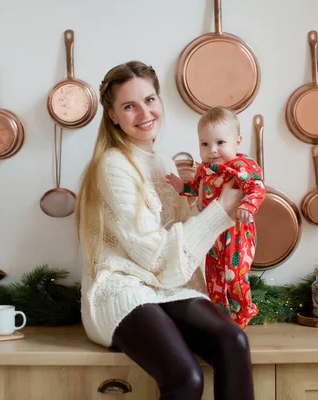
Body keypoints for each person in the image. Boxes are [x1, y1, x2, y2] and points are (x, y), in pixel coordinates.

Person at [75, 61, 255, 400]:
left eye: (150, 100)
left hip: (167, 287)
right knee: (185, 377)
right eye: (129, 106)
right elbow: (156, 256)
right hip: (122, 286)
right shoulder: (112, 165)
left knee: (234, 342)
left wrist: (219, 199)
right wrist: (221, 209)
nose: (144, 112)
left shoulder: (164, 163)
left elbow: (180, 240)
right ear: (112, 115)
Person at [165, 106, 266, 329]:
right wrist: (183, 186)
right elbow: (197, 188)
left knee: (234, 276)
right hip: (212, 235)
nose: (212, 150)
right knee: (214, 277)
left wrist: (248, 207)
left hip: (237, 232)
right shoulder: (204, 169)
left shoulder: (242, 167)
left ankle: (244, 312)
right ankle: (220, 317)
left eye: (220, 143)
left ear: (237, 141)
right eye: (205, 144)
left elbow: (257, 188)